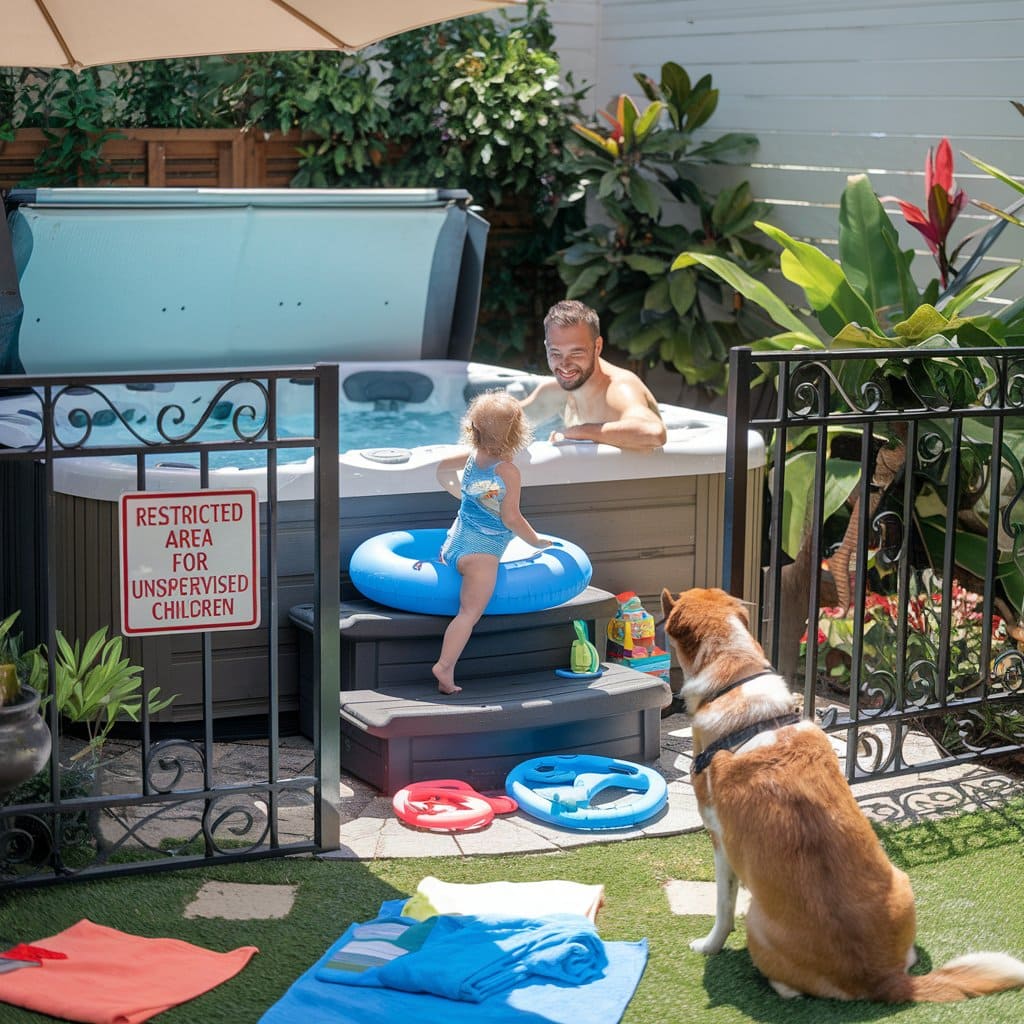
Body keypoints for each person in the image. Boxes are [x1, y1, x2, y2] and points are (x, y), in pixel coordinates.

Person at [432, 390, 551, 694]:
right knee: (468, 613)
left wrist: (458, 491)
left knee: (465, 598)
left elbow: (442, 467)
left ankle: (447, 557)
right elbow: (511, 518)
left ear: (474, 429)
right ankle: (444, 667)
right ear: (517, 435)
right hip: (480, 554)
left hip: (454, 542)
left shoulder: (473, 457)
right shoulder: (508, 471)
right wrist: (535, 540)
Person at [519, 299, 668, 450]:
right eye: (555, 353)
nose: (565, 365)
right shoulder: (558, 390)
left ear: (597, 346)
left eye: (576, 353)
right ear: (546, 348)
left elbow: (653, 432)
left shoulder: (619, 389)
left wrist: (579, 432)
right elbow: (515, 419)